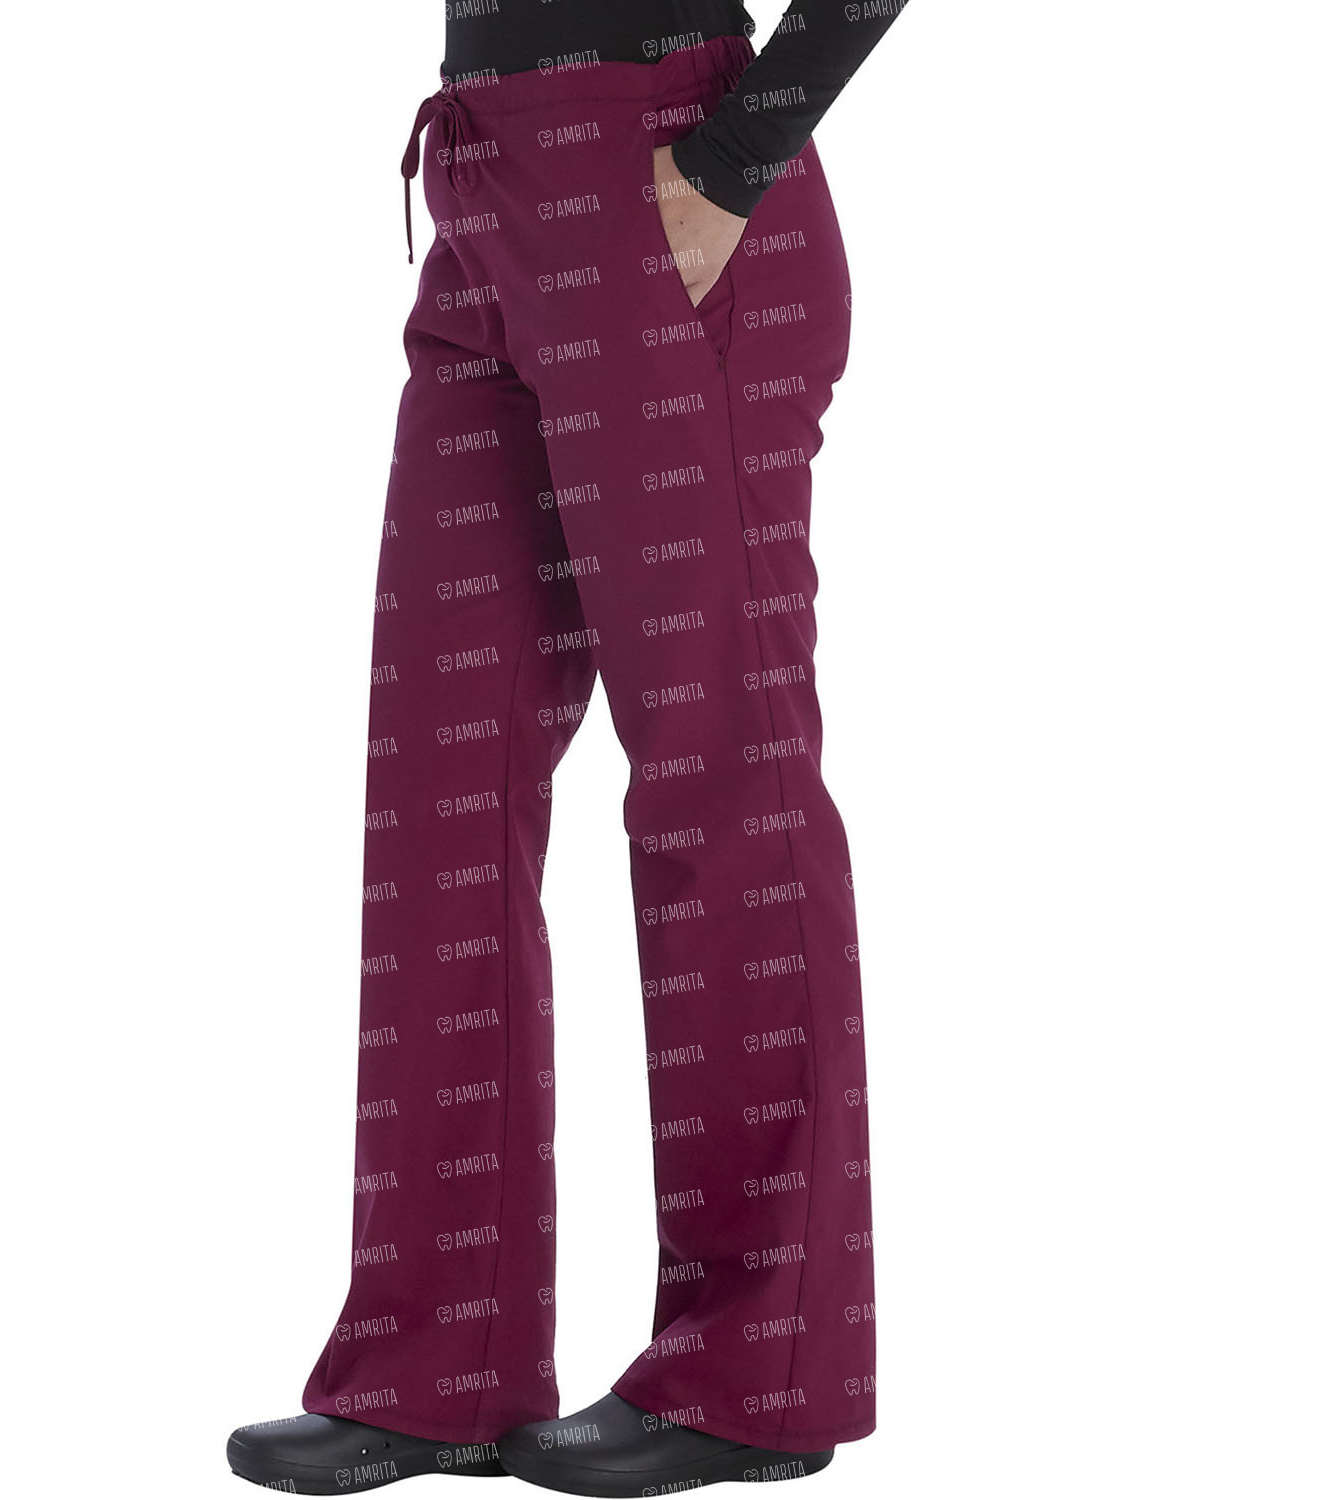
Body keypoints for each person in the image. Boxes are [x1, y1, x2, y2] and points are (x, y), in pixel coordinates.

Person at [228, 2, 906, 1493]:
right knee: (439, 796)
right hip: (483, 199)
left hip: (674, 181)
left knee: (720, 782)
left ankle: (757, 1373)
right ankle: (438, 1363)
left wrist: (737, 160)